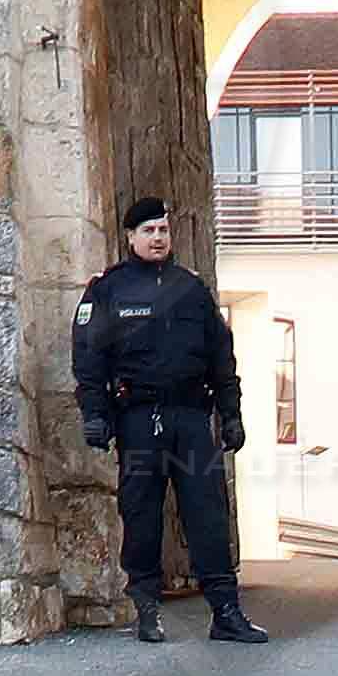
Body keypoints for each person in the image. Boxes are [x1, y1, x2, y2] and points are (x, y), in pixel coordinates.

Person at [71, 192, 262, 643]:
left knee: (207, 514)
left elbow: (221, 356)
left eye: (163, 230)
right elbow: (88, 357)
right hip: (139, 421)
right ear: (130, 237)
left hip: (191, 419)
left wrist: (231, 413)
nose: (157, 238)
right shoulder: (108, 290)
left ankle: (226, 612)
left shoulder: (191, 289)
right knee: (142, 515)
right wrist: (95, 414)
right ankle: (147, 609)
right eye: (148, 231)